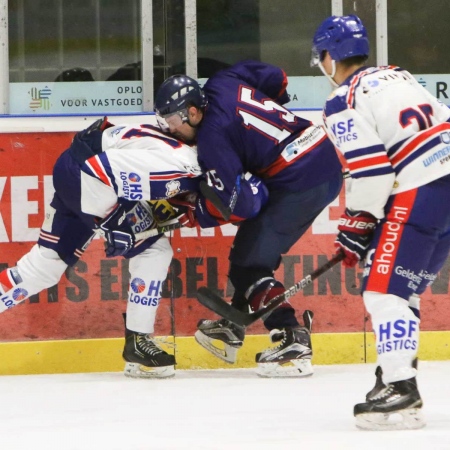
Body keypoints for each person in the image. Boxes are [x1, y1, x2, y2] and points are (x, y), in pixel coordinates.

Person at [154, 61, 344, 377]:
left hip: (299, 180)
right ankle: (231, 328)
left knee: (247, 265)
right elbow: (277, 77)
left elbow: (238, 206)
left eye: (173, 120)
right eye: (164, 120)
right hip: (318, 152)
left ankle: (291, 337)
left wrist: (192, 212)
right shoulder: (223, 79)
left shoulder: (212, 140)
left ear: (194, 112)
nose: (170, 128)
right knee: (251, 251)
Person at [311, 15, 450, 430]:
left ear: (330, 56)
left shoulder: (342, 101)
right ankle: (388, 375)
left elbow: (372, 172)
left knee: (382, 291)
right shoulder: (398, 76)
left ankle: (401, 387)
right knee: (402, 288)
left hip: (421, 188)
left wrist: (357, 223)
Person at [0, 117, 203, 379]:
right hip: (89, 178)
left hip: (70, 166)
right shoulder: (184, 159)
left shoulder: (158, 136)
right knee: (155, 250)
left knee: (43, 268)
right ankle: (138, 344)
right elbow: (105, 171)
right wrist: (117, 223)